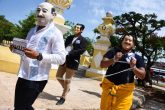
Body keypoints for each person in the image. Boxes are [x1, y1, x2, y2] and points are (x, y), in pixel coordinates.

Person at [10, 2, 66, 110]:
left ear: (53, 15)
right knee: (18, 106)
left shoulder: (56, 33)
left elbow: (61, 58)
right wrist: (17, 48)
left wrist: (39, 56)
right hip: (23, 73)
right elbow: (27, 49)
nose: (40, 13)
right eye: (38, 10)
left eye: (44, 11)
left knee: (23, 107)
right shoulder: (32, 30)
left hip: (37, 78)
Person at [100, 34, 146, 110]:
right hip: (108, 89)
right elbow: (102, 64)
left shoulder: (137, 58)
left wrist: (134, 67)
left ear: (133, 44)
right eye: (125, 39)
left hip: (124, 95)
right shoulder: (113, 51)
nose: (127, 41)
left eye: (130, 40)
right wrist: (114, 59)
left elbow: (142, 75)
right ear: (122, 41)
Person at [56, 23, 87, 105]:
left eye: (78, 28)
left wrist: (70, 53)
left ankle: (63, 97)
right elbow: (64, 46)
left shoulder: (83, 40)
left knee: (67, 80)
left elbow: (82, 50)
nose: (76, 29)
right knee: (58, 76)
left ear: (82, 30)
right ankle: (66, 89)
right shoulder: (69, 37)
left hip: (73, 61)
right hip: (64, 60)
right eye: (75, 27)